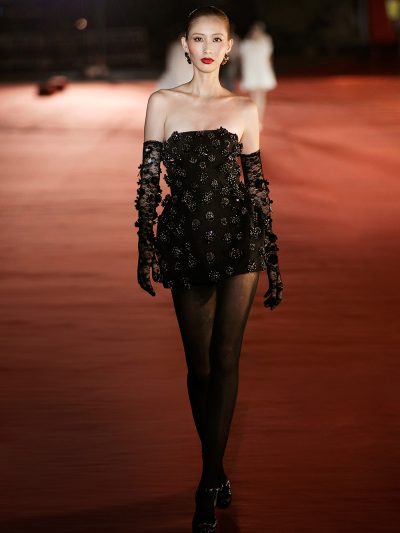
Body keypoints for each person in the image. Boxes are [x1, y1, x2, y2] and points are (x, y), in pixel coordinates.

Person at [134, 6, 283, 532]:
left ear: (229, 46)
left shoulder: (243, 108)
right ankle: (216, 470)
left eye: (216, 39)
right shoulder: (162, 103)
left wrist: (273, 260)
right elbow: (148, 179)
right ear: (184, 43)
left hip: (240, 243)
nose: (207, 48)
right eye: (198, 39)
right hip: (185, 242)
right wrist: (144, 247)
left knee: (225, 358)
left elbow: (256, 186)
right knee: (199, 367)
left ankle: (207, 482)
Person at [238, 20, 277, 131]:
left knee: (261, 97)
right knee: (253, 98)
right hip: (251, 73)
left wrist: (270, 70)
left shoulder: (265, 42)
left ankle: (259, 120)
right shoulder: (246, 44)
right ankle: (254, 119)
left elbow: (269, 58)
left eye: (258, 30)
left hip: (262, 72)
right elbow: (242, 61)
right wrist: (242, 74)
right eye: (255, 30)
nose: (256, 32)